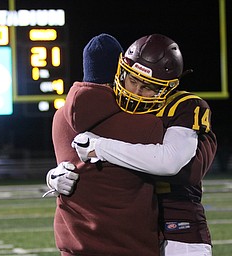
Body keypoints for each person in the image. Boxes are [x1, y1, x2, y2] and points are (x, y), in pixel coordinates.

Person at [71, 34, 217, 256]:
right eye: (132, 80)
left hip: (178, 229)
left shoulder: (184, 106)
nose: (135, 92)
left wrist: (100, 147)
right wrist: (62, 171)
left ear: (167, 88)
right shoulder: (113, 104)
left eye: (147, 86)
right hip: (135, 231)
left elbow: (170, 162)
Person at [45, 33, 165, 255]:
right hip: (130, 246)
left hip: (74, 247)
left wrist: (50, 178)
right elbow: (184, 170)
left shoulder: (59, 118)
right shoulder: (146, 124)